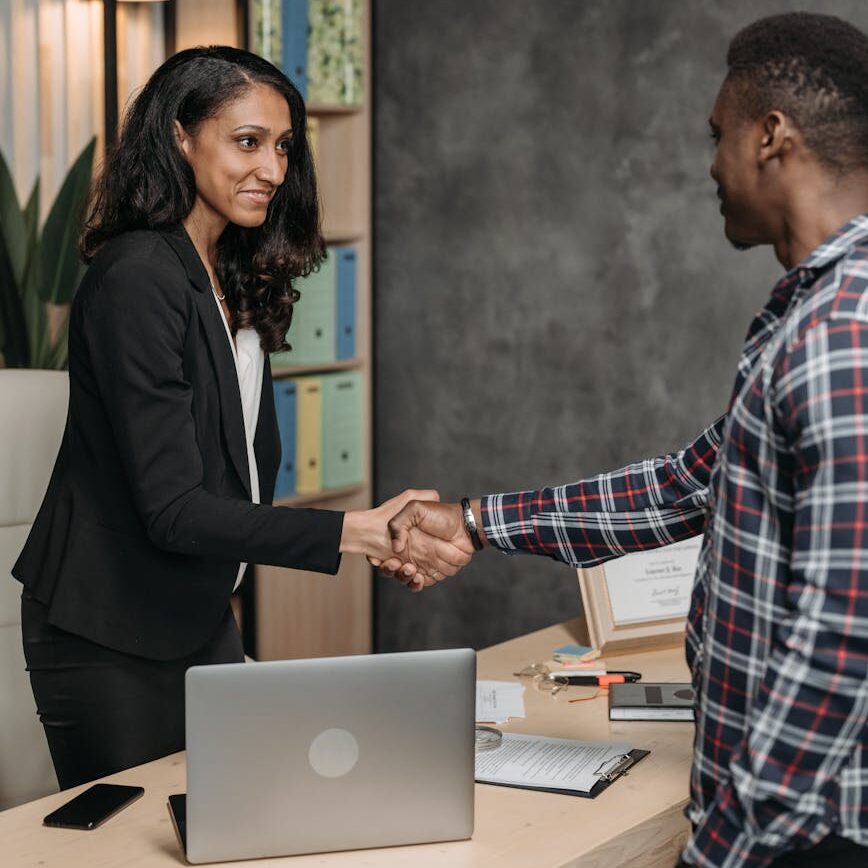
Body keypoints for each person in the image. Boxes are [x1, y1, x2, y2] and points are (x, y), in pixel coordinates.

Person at [378, 13, 868, 868]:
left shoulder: (841, 333)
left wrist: (726, 846)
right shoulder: (809, 318)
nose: (710, 164)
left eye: (719, 136)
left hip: (803, 838)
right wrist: (474, 520)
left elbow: (842, 636)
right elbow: (685, 486)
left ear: (771, 137)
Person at [12, 46, 466, 790]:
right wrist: (360, 531)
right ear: (181, 137)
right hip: (107, 630)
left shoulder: (227, 274)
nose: (273, 168)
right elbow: (174, 510)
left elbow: (236, 479)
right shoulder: (136, 276)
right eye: (247, 141)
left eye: (283, 146)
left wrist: (366, 539)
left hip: (194, 614)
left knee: (239, 822)